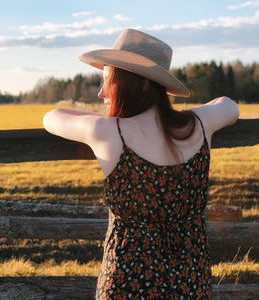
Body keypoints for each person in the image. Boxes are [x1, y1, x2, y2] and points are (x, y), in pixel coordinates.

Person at [43, 28, 239, 299]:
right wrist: (189, 114)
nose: (101, 93)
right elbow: (229, 106)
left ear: (140, 83)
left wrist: (99, 119)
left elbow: (52, 116)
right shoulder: (199, 124)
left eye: (108, 81)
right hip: (190, 281)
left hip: (126, 282)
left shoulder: (108, 131)